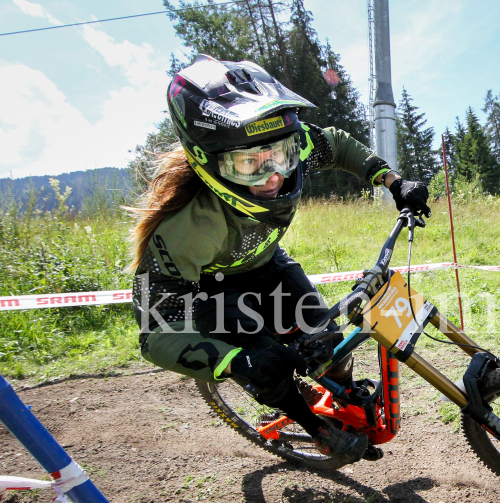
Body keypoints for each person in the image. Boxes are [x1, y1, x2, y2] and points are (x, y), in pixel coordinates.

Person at [129, 54, 430, 464]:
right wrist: (236, 363)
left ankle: (337, 392)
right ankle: (315, 427)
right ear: (207, 160)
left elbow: (337, 144)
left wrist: (391, 181)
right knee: (266, 366)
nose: (274, 175)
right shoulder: (181, 231)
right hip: (211, 293)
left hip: (268, 266)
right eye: (250, 164)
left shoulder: (278, 140)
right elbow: (155, 336)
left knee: (328, 344)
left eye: (281, 156)